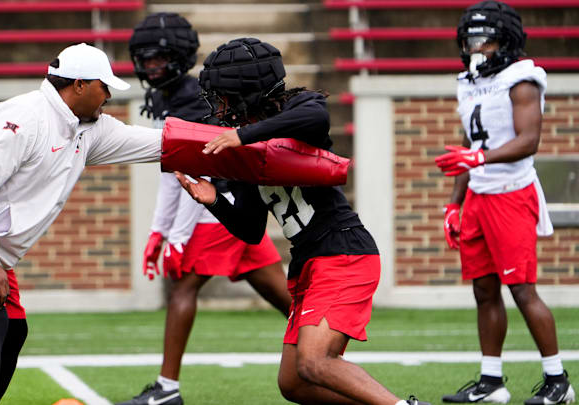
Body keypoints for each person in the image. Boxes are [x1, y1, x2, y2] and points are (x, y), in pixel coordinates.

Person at [175, 37, 429, 405]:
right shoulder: (244, 151)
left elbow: (315, 116)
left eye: (225, 97)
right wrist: (215, 202)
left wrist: (243, 136)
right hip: (310, 262)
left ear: (247, 92)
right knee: (294, 383)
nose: (220, 107)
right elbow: (251, 229)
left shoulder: (297, 109)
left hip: (343, 253)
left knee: (315, 362)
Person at [0, 43, 163, 405]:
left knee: (13, 328)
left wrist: (231, 139)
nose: (109, 94)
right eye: (104, 86)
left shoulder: (86, 127)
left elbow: (159, 143)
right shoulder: (24, 115)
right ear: (78, 85)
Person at [118, 14, 291, 405]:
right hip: (231, 207)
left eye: (158, 59)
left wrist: (175, 237)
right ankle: (326, 357)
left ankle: (167, 389)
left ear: (178, 57)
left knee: (183, 289)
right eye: (144, 60)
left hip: (219, 206)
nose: (150, 67)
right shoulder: (168, 96)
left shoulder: (194, 98)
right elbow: (170, 170)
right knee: (287, 300)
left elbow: (191, 174)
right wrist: (158, 232)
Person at [435, 2, 575, 404]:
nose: (476, 46)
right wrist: (453, 203)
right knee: (483, 289)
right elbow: (468, 145)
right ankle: (491, 382)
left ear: (506, 39)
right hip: (479, 195)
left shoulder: (522, 77)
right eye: (470, 38)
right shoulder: (468, 81)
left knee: (522, 289)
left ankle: (558, 380)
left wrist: (479, 158)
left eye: (485, 37)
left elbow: (528, 139)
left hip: (512, 194)